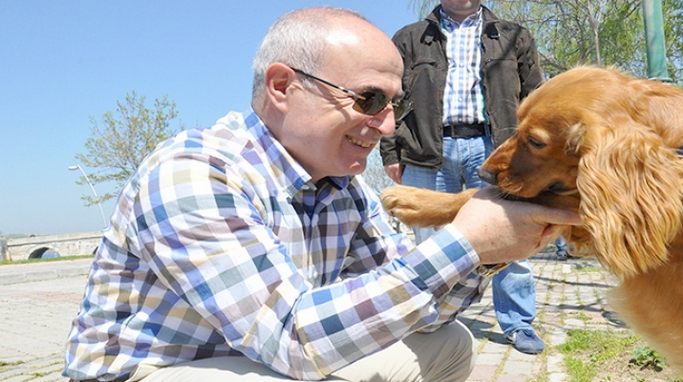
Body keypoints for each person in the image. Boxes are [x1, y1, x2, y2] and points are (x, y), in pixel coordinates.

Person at [62, 8, 578, 382]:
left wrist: (489, 253)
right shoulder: (196, 172)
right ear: (284, 86)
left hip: (274, 362)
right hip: (160, 371)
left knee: (448, 344)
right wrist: (463, 242)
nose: (385, 124)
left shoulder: (342, 190)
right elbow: (293, 340)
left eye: (394, 105)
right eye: (369, 99)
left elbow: (425, 310)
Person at [379, 0, 547, 355]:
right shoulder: (409, 39)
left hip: (494, 149)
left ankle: (518, 322)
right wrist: (391, 152)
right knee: (428, 242)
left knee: (511, 232)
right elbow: (389, 99)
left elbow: (536, 99)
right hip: (426, 151)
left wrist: (533, 158)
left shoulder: (513, 35)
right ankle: (430, 319)